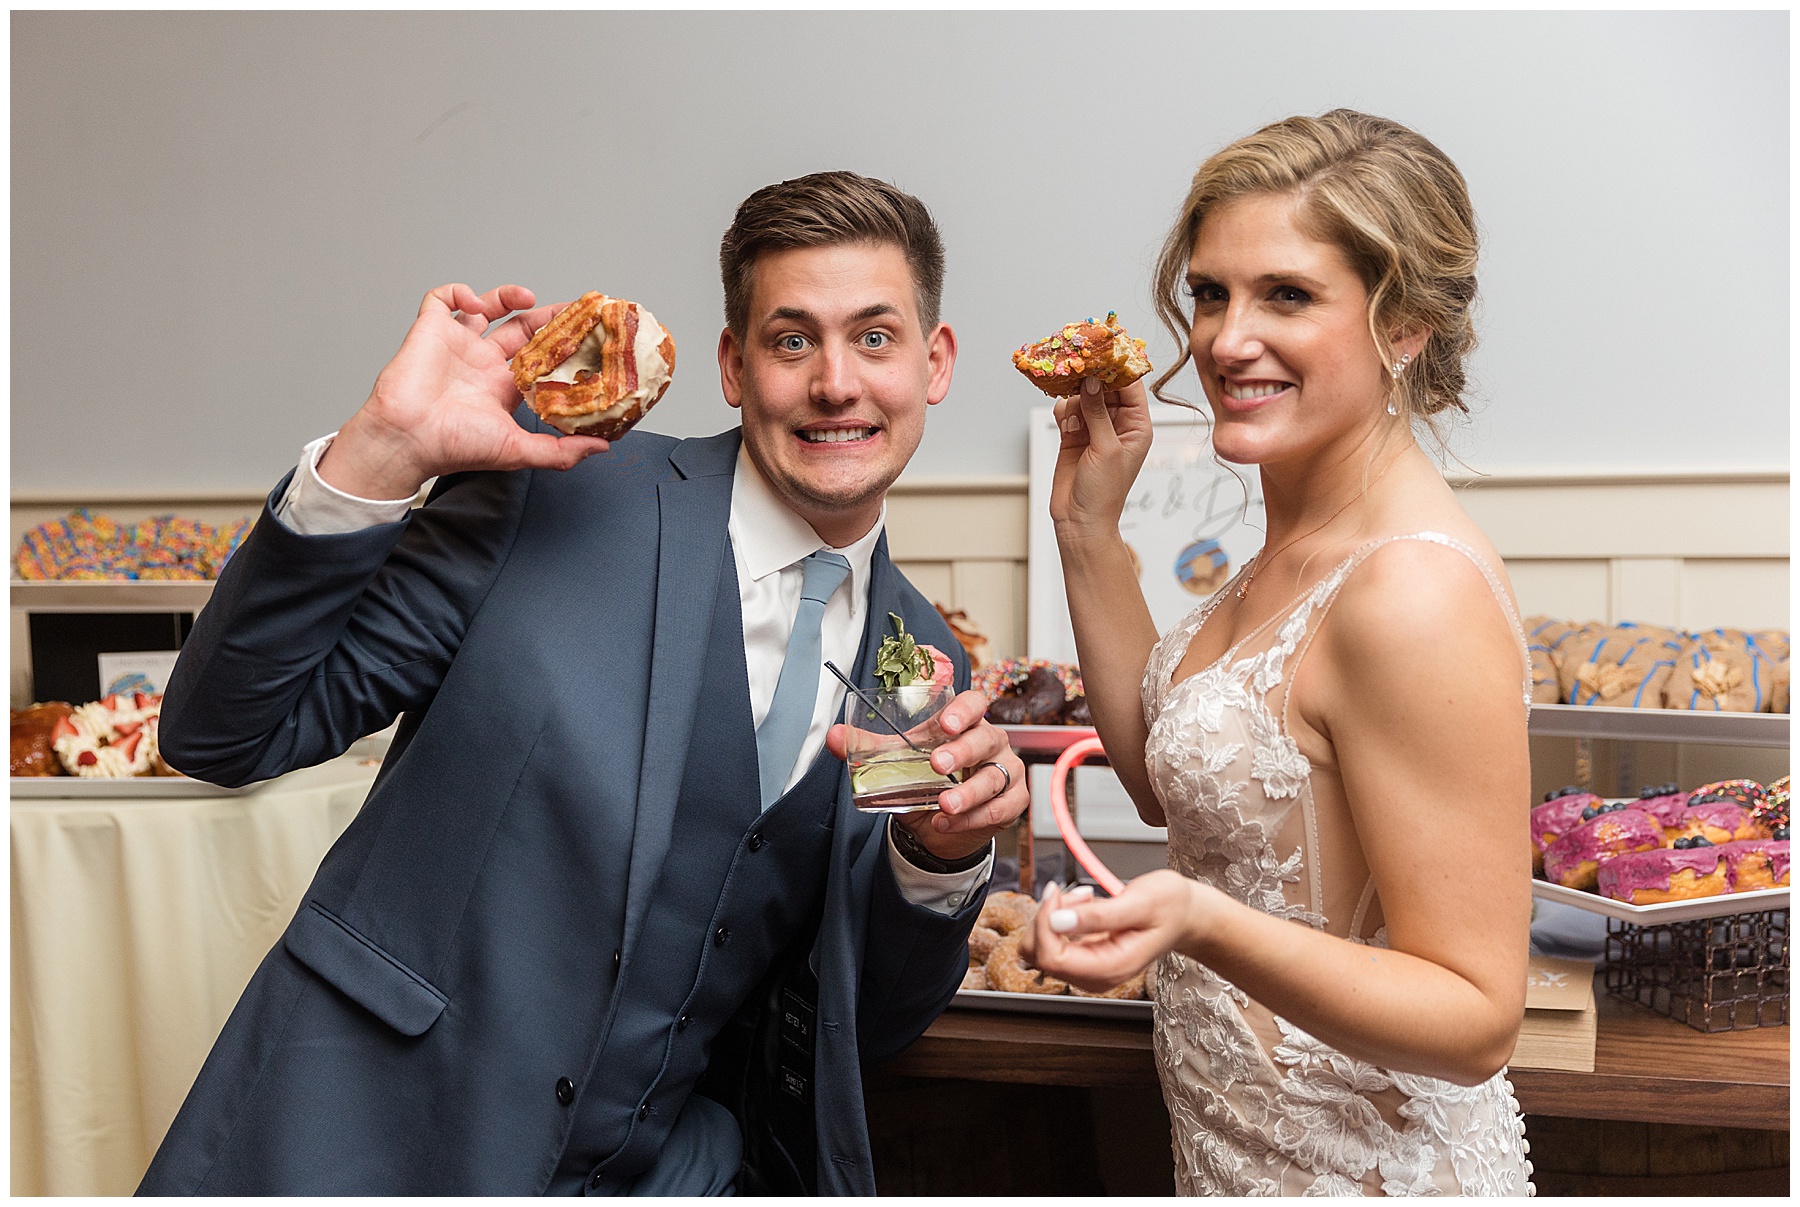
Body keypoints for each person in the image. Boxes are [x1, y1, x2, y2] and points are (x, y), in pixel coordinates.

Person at [138, 171, 1028, 1196]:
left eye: (875, 337)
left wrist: (938, 857)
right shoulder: (562, 492)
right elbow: (224, 732)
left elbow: (858, 1018)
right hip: (362, 1141)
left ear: (935, 361)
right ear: (736, 366)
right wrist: (381, 448)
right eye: (791, 340)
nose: (836, 382)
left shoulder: (914, 662)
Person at [1019, 111, 1535, 1195]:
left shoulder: (1411, 591)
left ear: (1407, 326)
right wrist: (1089, 535)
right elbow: (1169, 785)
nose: (1224, 339)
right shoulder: (1287, 544)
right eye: (1210, 293)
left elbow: (1477, 1015)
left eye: (1287, 296)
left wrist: (1200, 920)